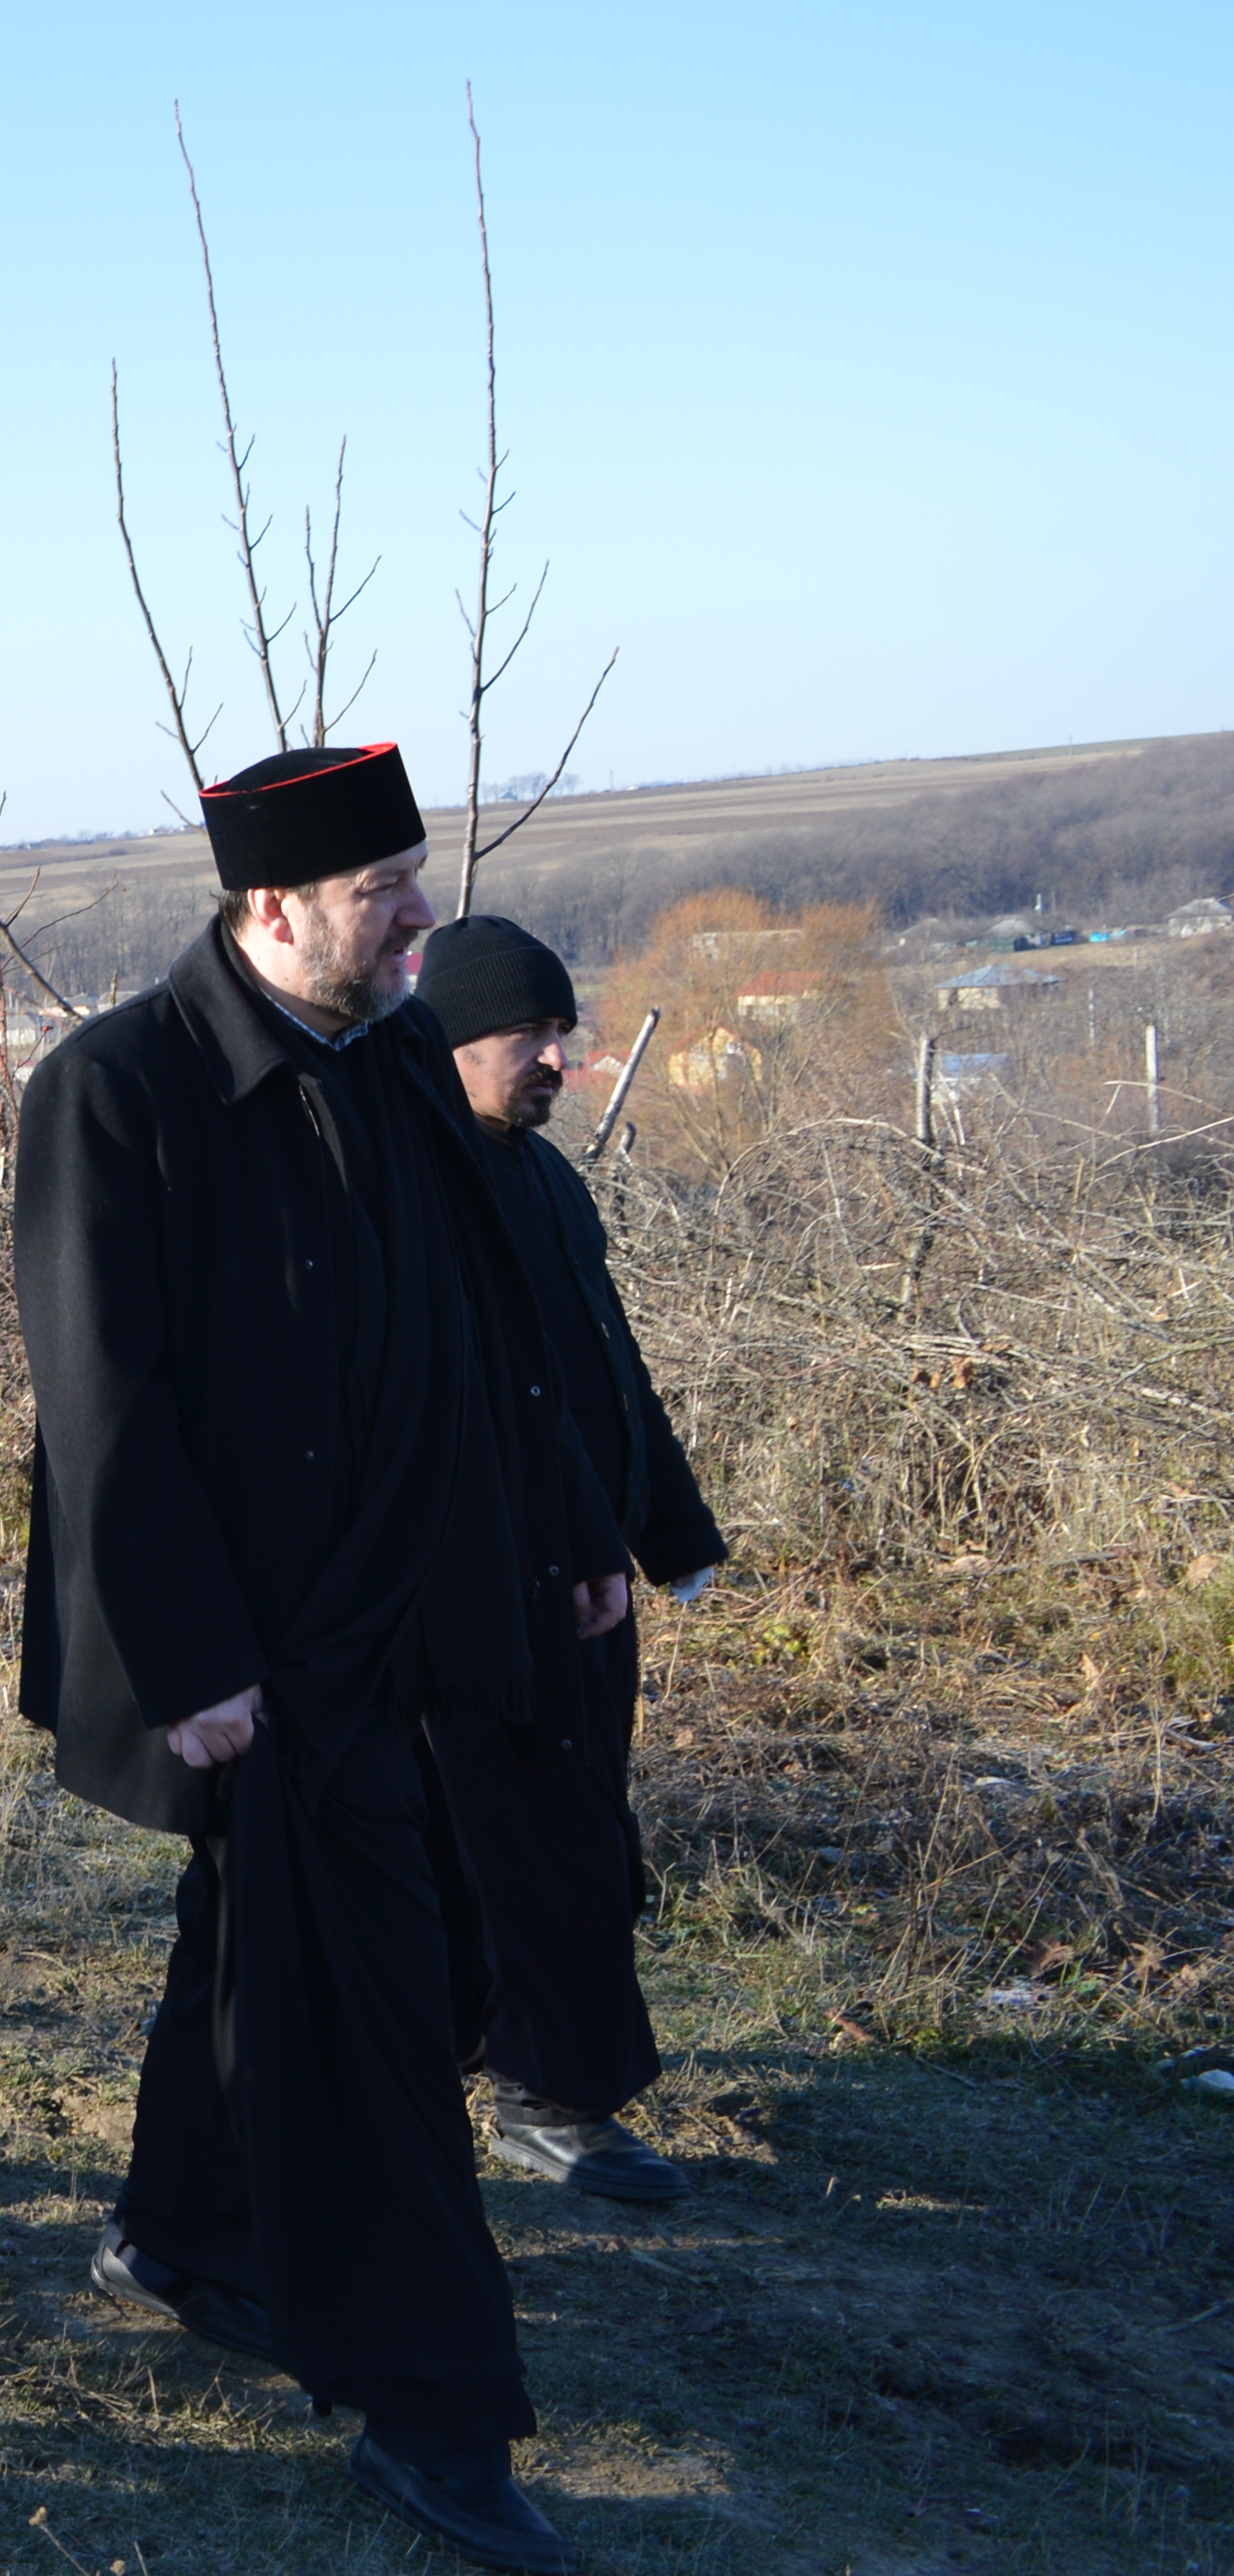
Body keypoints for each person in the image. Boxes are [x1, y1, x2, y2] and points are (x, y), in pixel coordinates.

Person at [15, 743, 616, 2576]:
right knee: (375, 2004)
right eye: (382, 889)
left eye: (411, 875)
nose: (421, 912)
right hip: (261, 1651)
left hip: (420, 1615)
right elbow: (104, 1407)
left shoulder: (402, 1065)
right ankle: (433, 2405)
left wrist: (572, 1527)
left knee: (277, 1935)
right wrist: (188, 1657)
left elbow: (492, 1332)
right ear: (269, 906)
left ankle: (178, 2231)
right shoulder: (116, 1088)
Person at [421, 915, 732, 2207]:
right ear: (447, 1042)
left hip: (586, 1570)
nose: (556, 1058)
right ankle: (548, 2097)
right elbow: (473, 1405)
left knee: (567, 1825)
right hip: (487, 1577)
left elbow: (607, 1368)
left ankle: (491, 2059)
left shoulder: (546, 1177)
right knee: (533, 1841)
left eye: (562, 1032)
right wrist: (573, 1543)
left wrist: (670, 1527)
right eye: (525, 1036)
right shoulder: (418, 1187)